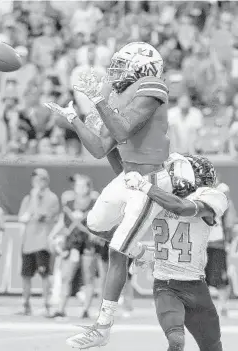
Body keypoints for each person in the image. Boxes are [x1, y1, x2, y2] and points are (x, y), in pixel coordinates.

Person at [45, 41, 194, 348]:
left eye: (123, 65)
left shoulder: (153, 86)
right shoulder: (116, 95)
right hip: (130, 177)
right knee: (94, 223)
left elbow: (123, 131)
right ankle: (144, 253)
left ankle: (102, 327)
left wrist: (99, 101)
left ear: (144, 68)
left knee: (116, 250)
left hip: (151, 177)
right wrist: (73, 119)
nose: (116, 72)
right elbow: (101, 148)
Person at [123, 155, 228, 351]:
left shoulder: (211, 197)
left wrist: (144, 186)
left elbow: (182, 208)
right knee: (176, 341)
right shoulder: (156, 195)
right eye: (201, 175)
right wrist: (139, 250)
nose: (206, 181)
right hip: (166, 286)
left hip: (196, 286)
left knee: (213, 347)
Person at [49, 174, 100, 319]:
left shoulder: (94, 203)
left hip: (88, 242)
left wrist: (96, 233)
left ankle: (85, 309)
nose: (79, 188)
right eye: (77, 185)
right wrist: (52, 234)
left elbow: (101, 220)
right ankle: (61, 308)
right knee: (67, 275)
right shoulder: (69, 203)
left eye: (83, 185)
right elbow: (62, 220)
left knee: (88, 276)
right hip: (73, 241)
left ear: (89, 187)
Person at [17, 168, 60, 316]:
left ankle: (47, 304)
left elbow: (39, 215)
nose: (37, 182)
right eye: (35, 179)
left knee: (44, 274)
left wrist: (35, 198)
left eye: (40, 179)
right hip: (28, 242)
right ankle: (25, 304)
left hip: (43, 242)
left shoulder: (51, 197)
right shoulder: (27, 198)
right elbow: (22, 217)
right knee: (26, 275)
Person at [205, 182, 236, 317]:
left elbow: (229, 223)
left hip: (216, 243)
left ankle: (222, 306)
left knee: (219, 278)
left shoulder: (225, 205)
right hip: (207, 244)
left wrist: (228, 241)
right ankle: (216, 306)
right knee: (205, 278)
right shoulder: (206, 201)